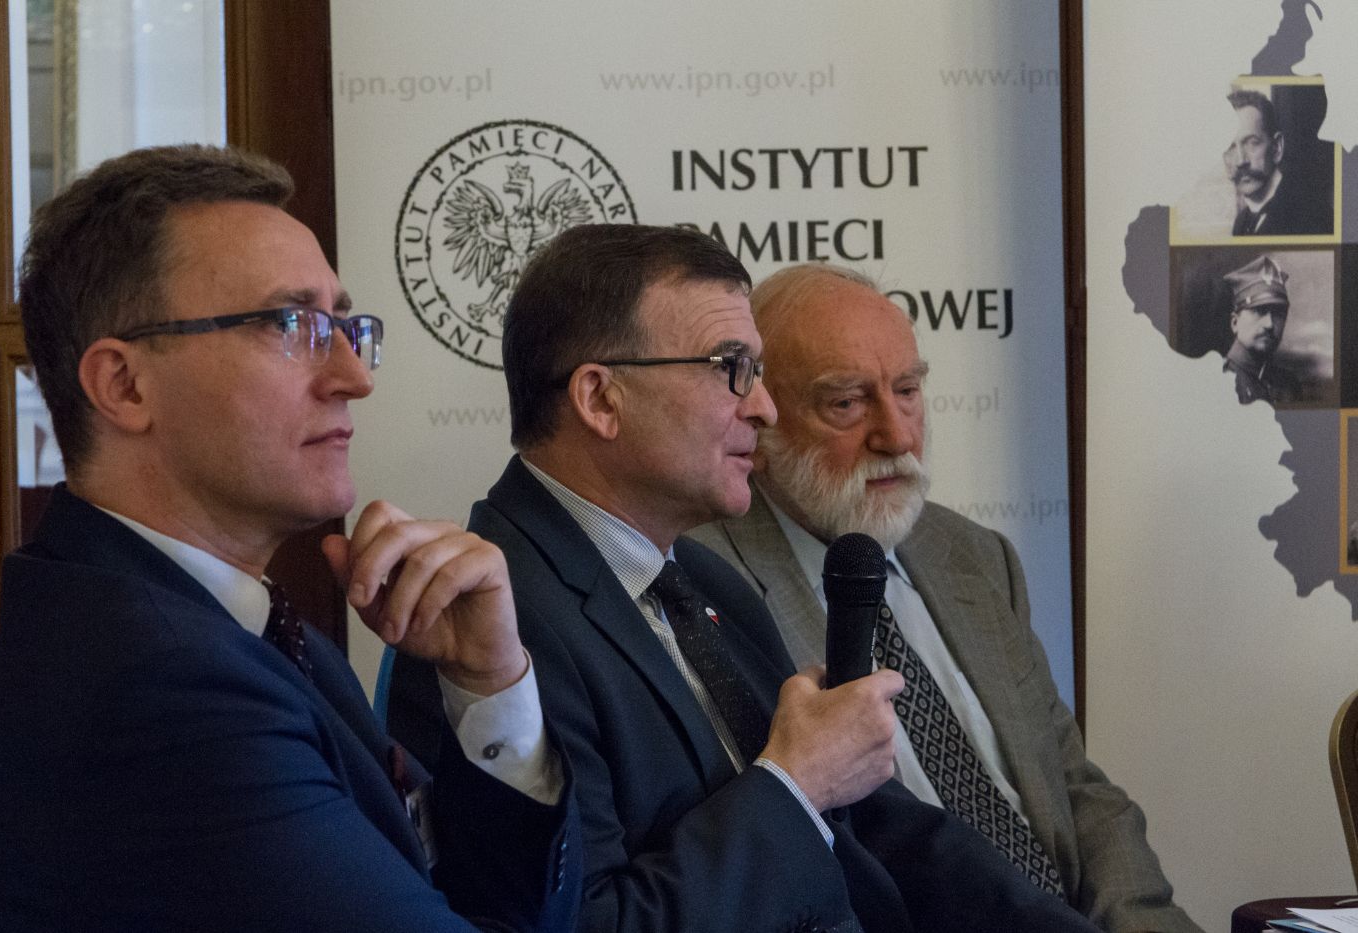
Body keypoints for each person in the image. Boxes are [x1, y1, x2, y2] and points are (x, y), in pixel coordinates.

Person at [388, 224, 1102, 932]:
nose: (763, 406)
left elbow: (881, 829)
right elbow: (587, 924)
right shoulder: (486, 634)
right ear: (601, 399)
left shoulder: (703, 580)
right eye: (731, 367)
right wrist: (793, 786)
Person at [0, 145, 578, 932]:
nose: (355, 377)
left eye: (345, 326)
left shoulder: (251, 630)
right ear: (125, 385)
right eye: (292, 324)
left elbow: (494, 910)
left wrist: (490, 685)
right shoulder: (159, 688)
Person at [688, 262, 1202, 933]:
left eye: (907, 390)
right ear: (762, 415)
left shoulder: (974, 556)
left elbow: (1074, 788)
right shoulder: (707, 586)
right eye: (846, 403)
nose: (897, 436)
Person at [1223, 88, 1332, 237]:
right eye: (1230, 147)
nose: (1241, 161)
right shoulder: (1241, 223)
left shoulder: (1312, 217)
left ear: (1277, 148)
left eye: (1252, 143)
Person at [1220, 254, 1300, 404]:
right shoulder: (1217, 381)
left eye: (1278, 313)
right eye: (1259, 311)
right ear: (1235, 323)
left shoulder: (1289, 384)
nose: (1269, 324)